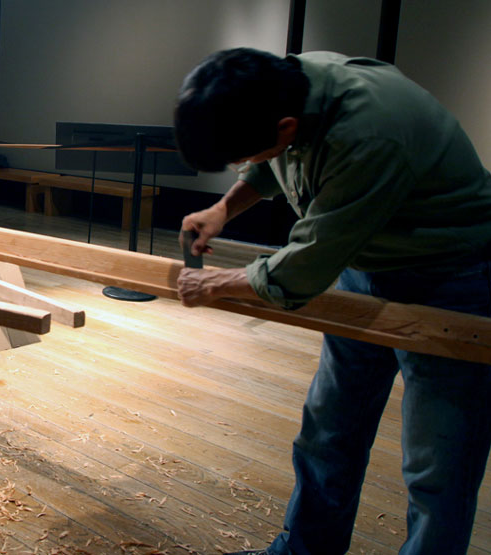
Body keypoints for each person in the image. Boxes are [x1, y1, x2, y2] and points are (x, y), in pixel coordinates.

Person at [173, 48, 491, 555]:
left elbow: (308, 264)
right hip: (364, 265)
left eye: (241, 155)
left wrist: (215, 284)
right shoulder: (288, 83)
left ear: (284, 127)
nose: (243, 164)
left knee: (439, 461)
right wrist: (222, 209)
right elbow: (269, 164)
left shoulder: (372, 130)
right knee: (330, 430)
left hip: (451, 278)